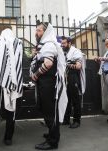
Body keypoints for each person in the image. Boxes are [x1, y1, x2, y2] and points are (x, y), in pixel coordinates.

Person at [30, 22, 67, 150]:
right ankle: (52, 134)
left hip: (48, 84)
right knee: (47, 111)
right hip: (45, 84)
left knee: (50, 112)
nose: (36, 33)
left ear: (45, 32)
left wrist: (35, 74)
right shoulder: (45, 45)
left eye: (39, 30)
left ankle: (53, 142)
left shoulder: (49, 44)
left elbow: (48, 64)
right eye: (36, 30)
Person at [61, 36, 86, 128]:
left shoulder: (75, 52)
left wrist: (66, 65)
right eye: (62, 43)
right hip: (65, 78)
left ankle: (76, 121)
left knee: (75, 100)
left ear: (69, 43)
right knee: (66, 100)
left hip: (73, 76)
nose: (62, 45)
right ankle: (66, 119)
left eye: (64, 43)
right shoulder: (64, 52)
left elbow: (78, 66)